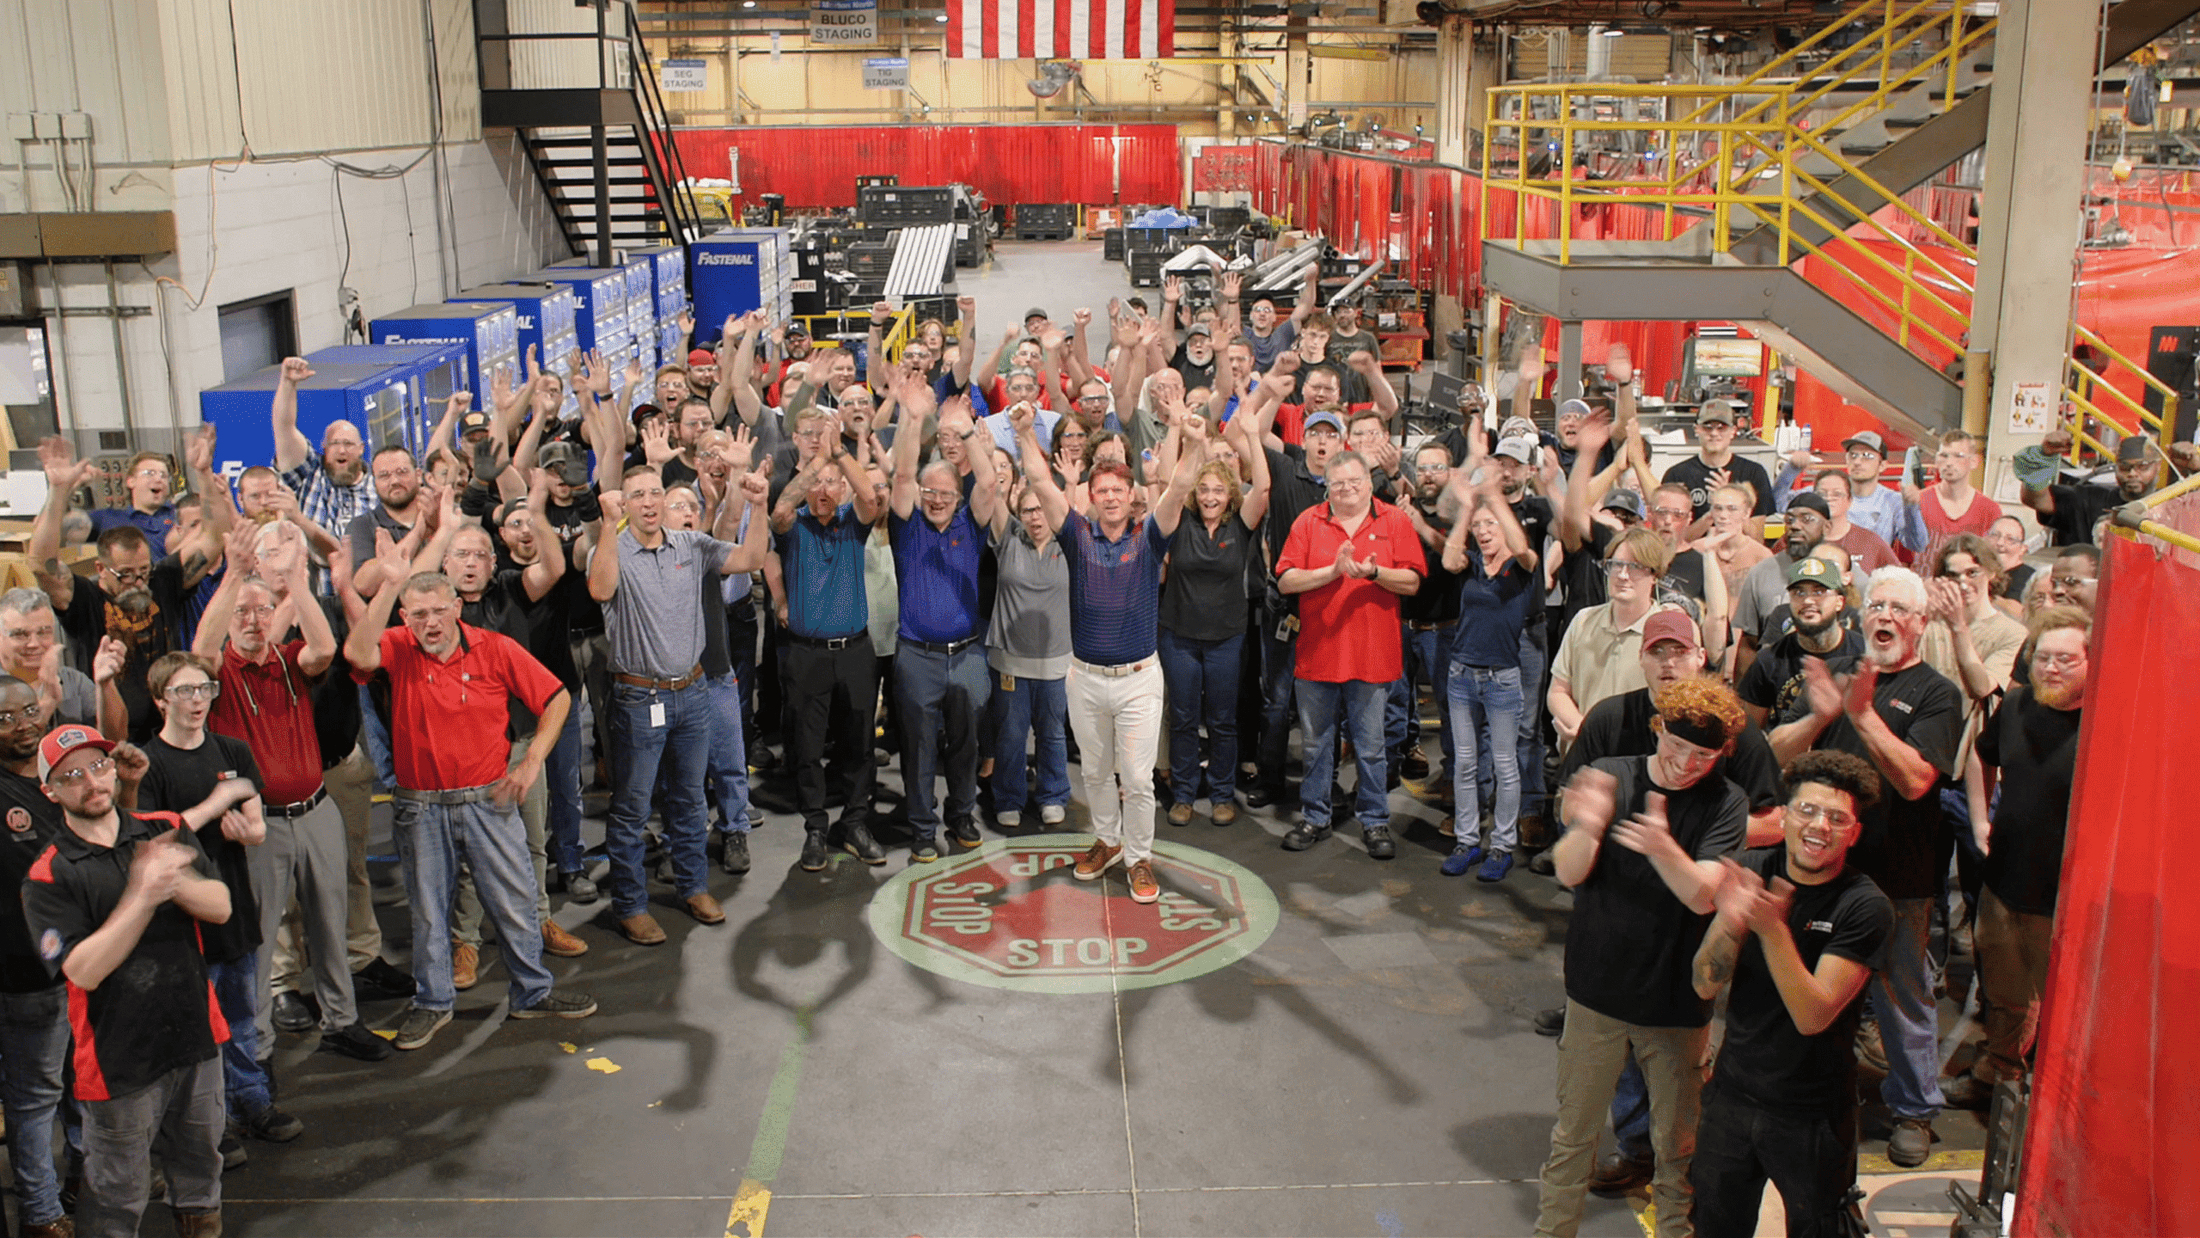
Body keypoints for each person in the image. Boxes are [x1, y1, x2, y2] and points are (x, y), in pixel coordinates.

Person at [345, 549, 596, 1051]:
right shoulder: (396, 646)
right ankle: (433, 1003)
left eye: (439, 610)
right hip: (421, 806)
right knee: (429, 912)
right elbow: (357, 655)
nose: (431, 623)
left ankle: (531, 992)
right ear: (404, 618)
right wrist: (390, 584)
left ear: (458, 607)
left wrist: (530, 764)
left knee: (516, 901)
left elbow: (558, 698)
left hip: (489, 800)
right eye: (418, 614)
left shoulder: (495, 648)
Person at [1536, 678, 1751, 1238]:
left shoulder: (1726, 801)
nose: (1684, 764)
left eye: (1702, 755)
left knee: (1678, 1153)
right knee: (1573, 1139)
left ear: (1720, 754)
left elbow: (1704, 893)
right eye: (1676, 747)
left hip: (1676, 1004)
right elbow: (1568, 871)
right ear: (1659, 730)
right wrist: (1588, 825)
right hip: (1597, 992)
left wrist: (1661, 846)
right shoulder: (1612, 773)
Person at [1765, 566, 1963, 1167]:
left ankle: (1914, 1111)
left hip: (1898, 877)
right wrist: (1821, 715)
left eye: (1900, 608)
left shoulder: (1935, 693)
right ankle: (1814, 1087)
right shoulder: (1839, 678)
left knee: (1902, 995)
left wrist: (1867, 716)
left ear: (1922, 624)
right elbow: (1776, 756)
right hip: (1823, 869)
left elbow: (1916, 779)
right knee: (1812, 986)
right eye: (1877, 605)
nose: (1885, 617)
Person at [23, 723, 246, 1238]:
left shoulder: (161, 827)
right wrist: (144, 893)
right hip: (118, 1058)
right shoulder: (48, 875)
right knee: (117, 1199)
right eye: (71, 775)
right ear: (50, 792)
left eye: (97, 767)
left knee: (200, 1177)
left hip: (195, 1036)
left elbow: (221, 907)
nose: (90, 782)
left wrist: (175, 883)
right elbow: (83, 968)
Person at [189, 532, 391, 1068]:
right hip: (262, 824)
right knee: (258, 940)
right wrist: (235, 575)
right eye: (243, 613)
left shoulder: (287, 660)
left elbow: (326, 648)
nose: (254, 621)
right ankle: (255, 1049)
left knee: (332, 923)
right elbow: (201, 653)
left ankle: (342, 1021)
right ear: (228, 617)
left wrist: (297, 582)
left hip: (316, 808)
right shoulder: (218, 676)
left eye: (263, 610)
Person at [1688, 750, 1894, 1238]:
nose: (1819, 826)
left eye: (1836, 817)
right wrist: (1733, 921)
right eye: (1807, 810)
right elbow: (1704, 980)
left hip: (1812, 1114)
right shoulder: (1754, 866)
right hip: (1733, 1097)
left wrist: (1772, 930)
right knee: (1714, 1226)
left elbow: (1814, 1015)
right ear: (1785, 816)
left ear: (1854, 832)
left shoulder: (1865, 907)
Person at [1013, 400, 1198, 905]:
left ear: (1132, 494)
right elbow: (1042, 484)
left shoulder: (1151, 536)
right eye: (1102, 491)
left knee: (1137, 778)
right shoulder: (1075, 534)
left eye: (1119, 489)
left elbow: (1180, 487)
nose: (1111, 497)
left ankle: (1139, 857)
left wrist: (1194, 441)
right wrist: (1026, 433)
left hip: (1139, 677)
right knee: (1094, 771)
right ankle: (1109, 841)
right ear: (1090, 497)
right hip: (1086, 677)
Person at [589, 430, 771, 942]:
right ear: (624, 505)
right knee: (632, 805)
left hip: (691, 693)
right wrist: (607, 527)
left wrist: (758, 501)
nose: (649, 502)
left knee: (690, 799)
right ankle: (629, 903)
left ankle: (693, 886)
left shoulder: (691, 545)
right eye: (638, 495)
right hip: (637, 696)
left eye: (656, 494)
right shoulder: (614, 549)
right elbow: (599, 588)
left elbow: (751, 561)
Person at [132, 651, 306, 1160]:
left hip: (233, 908)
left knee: (240, 1016)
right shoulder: (150, 762)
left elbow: (253, 811)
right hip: (181, 917)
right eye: (184, 691)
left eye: (204, 689)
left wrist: (251, 829)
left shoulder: (231, 749)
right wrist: (213, 806)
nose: (196, 701)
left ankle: (250, 1101)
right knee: (196, 1027)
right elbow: (151, 838)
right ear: (162, 699)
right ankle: (205, 1122)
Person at [1946, 607, 2089, 1110]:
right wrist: (1981, 822)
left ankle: (2053, 1098)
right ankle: (1996, 1076)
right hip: (2004, 878)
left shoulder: (2106, 726)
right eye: (2043, 657)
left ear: (2092, 662)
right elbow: (1981, 759)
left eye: (2066, 660)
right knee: (2003, 993)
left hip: (2068, 894)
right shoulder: (2018, 706)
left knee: (2059, 1004)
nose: (2051, 668)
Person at [32, 433, 230, 742]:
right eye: (125, 575)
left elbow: (214, 537)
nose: (138, 582)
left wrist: (203, 475)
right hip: (115, 734)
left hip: (173, 729)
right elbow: (41, 565)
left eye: (142, 571)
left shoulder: (161, 581)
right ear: (101, 569)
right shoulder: (86, 599)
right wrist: (58, 490)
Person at [1274, 448, 1424, 859]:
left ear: (1369, 481)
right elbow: (1286, 580)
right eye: (1337, 484)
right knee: (1316, 744)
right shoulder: (1309, 521)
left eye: (1354, 482)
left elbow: (1412, 581)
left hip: (1373, 658)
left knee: (1373, 745)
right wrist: (1332, 572)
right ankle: (1315, 815)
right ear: (1327, 486)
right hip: (1318, 655)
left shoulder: (1393, 520)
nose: (1346, 490)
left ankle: (1375, 820)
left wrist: (1374, 573)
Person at [884, 377, 1000, 862]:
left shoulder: (969, 526)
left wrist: (967, 431)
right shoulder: (907, 526)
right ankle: (921, 828)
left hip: (967, 653)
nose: (935, 499)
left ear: (958, 496)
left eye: (945, 493)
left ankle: (961, 814)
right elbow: (904, 477)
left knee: (966, 744)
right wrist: (913, 419)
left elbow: (990, 482)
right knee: (917, 749)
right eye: (931, 492)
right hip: (916, 656)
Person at [771, 404, 891, 872]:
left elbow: (871, 499)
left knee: (859, 741)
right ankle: (816, 828)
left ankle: (855, 822)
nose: (822, 493)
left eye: (830, 486)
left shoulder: (851, 524)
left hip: (856, 651)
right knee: (806, 745)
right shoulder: (793, 528)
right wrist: (818, 462)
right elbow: (782, 506)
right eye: (815, 486)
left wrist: (839, 455)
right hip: (807, 655)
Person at [0, 678, 84, 1238]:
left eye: (30, 710)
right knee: (34, 1099)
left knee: (80, 1084)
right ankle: (41, 1212)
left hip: (81, 968)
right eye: (7, 717)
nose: (24, 723)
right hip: (25, 974)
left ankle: (84, 1177)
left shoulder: (59, 777)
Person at [1158, 416, 1271, 827]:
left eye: (1218, 490)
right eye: (1203, 489)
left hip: (1226, 638)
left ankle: (1222, 794)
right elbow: (1170, 481)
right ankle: (1184, 795)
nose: (1209, 496)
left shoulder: (1241, 526)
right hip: (1179, 637)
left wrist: (1254, 437)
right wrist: (1182, 434)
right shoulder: (1178, 522)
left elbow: (1263, 487)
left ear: (1230, 495)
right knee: (1185, 719)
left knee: (1223, 721)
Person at [1437, 454, 1537, 881]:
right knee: (1464, 762)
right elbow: (1448, 559)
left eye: (1489, 526)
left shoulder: (1519, 568)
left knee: (1504, 763)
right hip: (1462, 674)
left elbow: (1523, 548)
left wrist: (1492, 497)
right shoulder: (1470, 567)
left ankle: (1501, 846)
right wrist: (1467, 511)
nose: (1483, 533)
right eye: (1479, 529)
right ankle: (1466, 841)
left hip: (1502, 679)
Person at [985, 475, 1073, 831]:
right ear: (1017, 514)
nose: (1035, 517)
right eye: (1027, 510)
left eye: (1041, 509)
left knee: (1052, 733)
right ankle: (1008, 797)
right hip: (1010, 661)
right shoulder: (1009, 539)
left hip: (1056, 662)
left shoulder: (1070, 544)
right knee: (1010, 733)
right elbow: (990, 495)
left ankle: (1053, 795)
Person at [1547, 528, 1672, 752]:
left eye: (1634, 566)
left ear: (1654, 574)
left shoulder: (1666, 633)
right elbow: (1558, 692)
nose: (1622, 575)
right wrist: (1582, 728)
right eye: (1616, 565)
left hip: (1638, 758)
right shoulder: (1583, 621)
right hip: (1582, 754)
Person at [272, 357, 376, 586]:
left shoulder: (378, 490)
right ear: (324, 449)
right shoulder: (309, 475)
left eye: (349, 444)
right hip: (312, 599)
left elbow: (343, 554)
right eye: (334, 444)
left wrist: (298, 518)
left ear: (361, 449)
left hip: (360, 603)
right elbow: (284, 428)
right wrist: (288, 384)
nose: (341, 450)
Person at [1737, 556, 1863, 730]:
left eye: (1819, 592)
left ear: (1839, 602)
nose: (1808, 601)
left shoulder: (1865, 654)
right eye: (1799, 592)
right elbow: (1750, 735)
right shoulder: (1768, 661)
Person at [1732, 493, 1832, 677]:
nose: (1795, 525)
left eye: (1807, 519)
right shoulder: (1761, 572)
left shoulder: (1848, 575)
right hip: (1771, 687)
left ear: (1827, 526)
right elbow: (1749, 644)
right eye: (1790, 519)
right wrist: (1741, 701)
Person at [2016, 428, 2162, 546]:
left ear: (2158, 466)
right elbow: (2035, 500)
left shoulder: (2172, 508)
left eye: (2142, 467)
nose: (2132, 473)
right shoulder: (2085, 500)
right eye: (2124, 467)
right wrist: (2043, 456)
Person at [1661, 400, 1772, 520]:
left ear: (1733, 431)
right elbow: (1674, 535)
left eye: (1721, 427)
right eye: (1707, 427)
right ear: (1696, 429)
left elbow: (1756, 536)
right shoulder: (1677, 475)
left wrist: (1729, 499)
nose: (1714, 433)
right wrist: (1711, 514)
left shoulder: (1754, 473)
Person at [1916, 431, 2002, 570]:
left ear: (1974, 461)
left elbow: (1992, 565)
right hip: (1922, 588)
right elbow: (1900, 561)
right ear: (1936, 460)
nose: (1949, 463)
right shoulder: (1917, 503)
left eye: (1958, 456)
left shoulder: (1989, 510)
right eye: (1944, 456)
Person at [1810, 470, 1899, 575]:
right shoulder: (1799, 538)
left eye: (1837, 494)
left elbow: (1901, 580)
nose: (1829, 498)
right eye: (1821, 494)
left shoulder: (1871, 542)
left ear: (1850, 500)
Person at [88, 452, 181, 550]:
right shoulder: (109, 518)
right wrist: (70, 484)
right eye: (149, 473)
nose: (158, 479)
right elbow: (71, 527)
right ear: (131, 481)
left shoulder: (181, 513)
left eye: (163, 475)